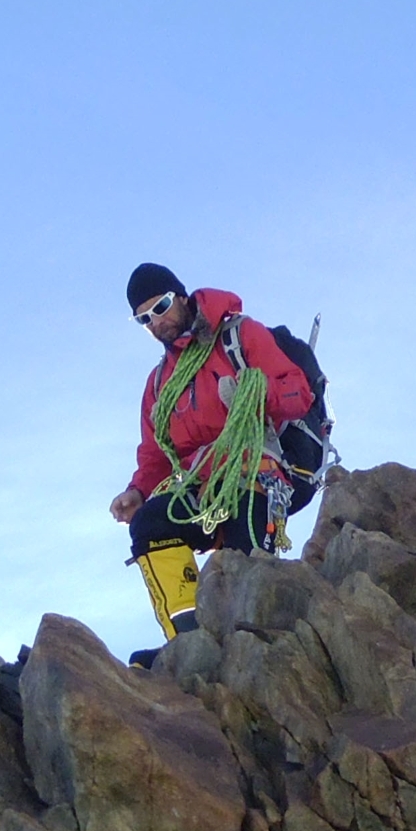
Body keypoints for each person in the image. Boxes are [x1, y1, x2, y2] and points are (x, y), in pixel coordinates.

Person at [111, 262, 316, 654]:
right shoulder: (159, 385)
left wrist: (252, 395)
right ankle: (188, 644)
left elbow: (298, 394)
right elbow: (155, 452)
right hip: (204, 489)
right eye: (143, 318)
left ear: (182, 297)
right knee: (149, 526)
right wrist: (138, 492)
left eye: (162, 307)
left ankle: (244, 643)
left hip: (258, 476)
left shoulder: (240, 337)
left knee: (242, 564)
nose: (155, 322)